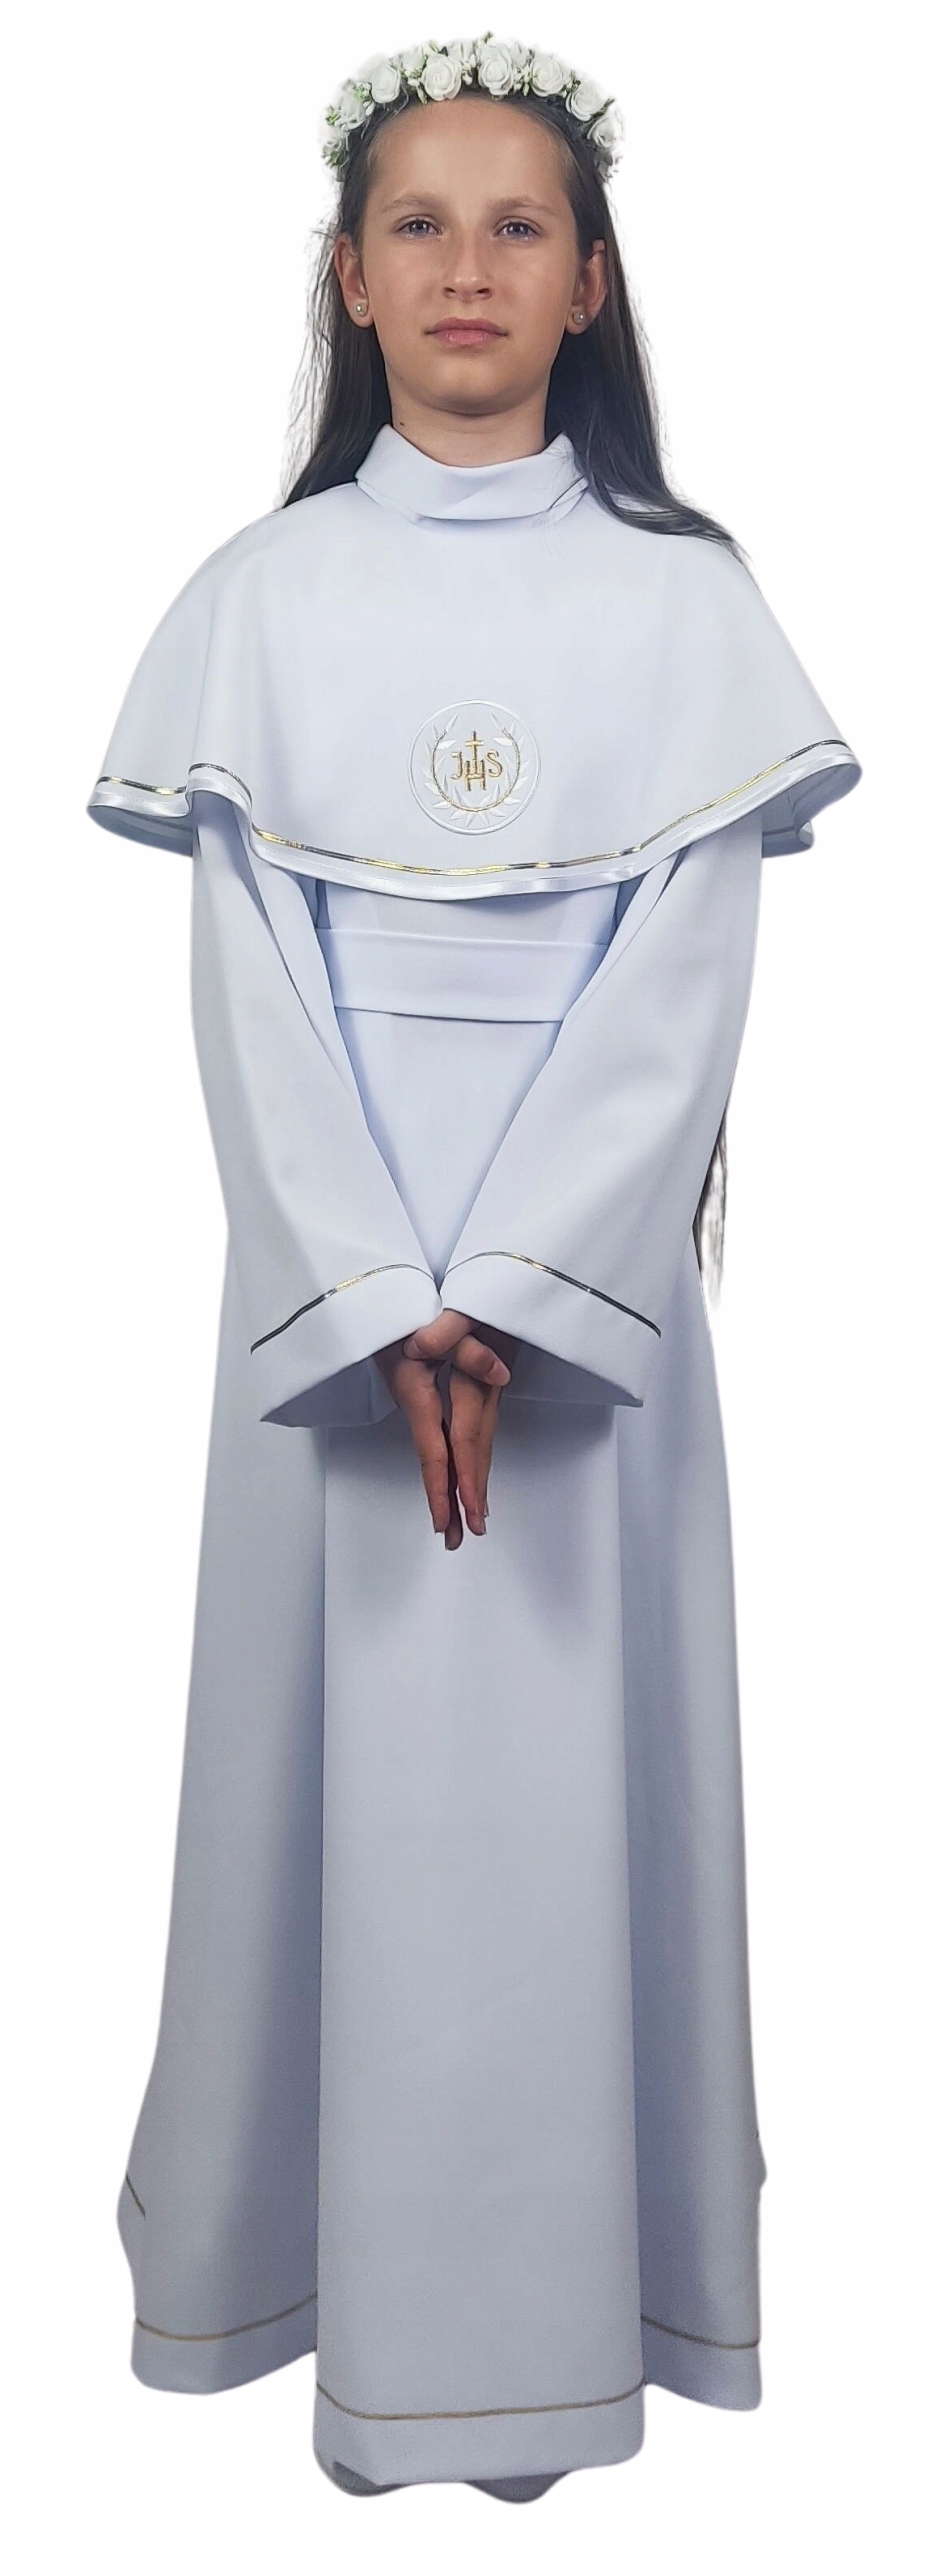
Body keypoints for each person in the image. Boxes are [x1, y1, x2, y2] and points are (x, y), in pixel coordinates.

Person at [86, 33, 861, 2504]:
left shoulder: (683, 606)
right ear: (344, 276)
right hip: (330, 1339)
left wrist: (514, 1291)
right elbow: (249, 986)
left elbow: (680, 978)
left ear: (589, 282)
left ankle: (555, 2336)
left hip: (581, 1343)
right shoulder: (257, 601)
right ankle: (314, 2299)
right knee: (325, 1803)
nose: (464, 267)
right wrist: (379, 1298)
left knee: (566, 1817)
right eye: (416, 223)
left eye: (516, 224)